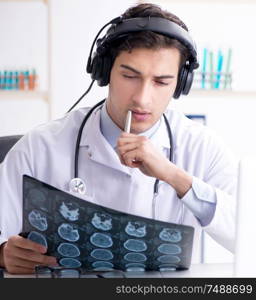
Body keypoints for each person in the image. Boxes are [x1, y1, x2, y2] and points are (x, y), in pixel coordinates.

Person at [0, 3, 238, 274]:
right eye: (129, 76)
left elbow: (246, 237)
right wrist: (4, 254)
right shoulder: (41, 145)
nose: (142, 98)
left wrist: (176, 178)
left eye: (161, 82)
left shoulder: (203, 148)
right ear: (104, 72)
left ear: (180, 84)